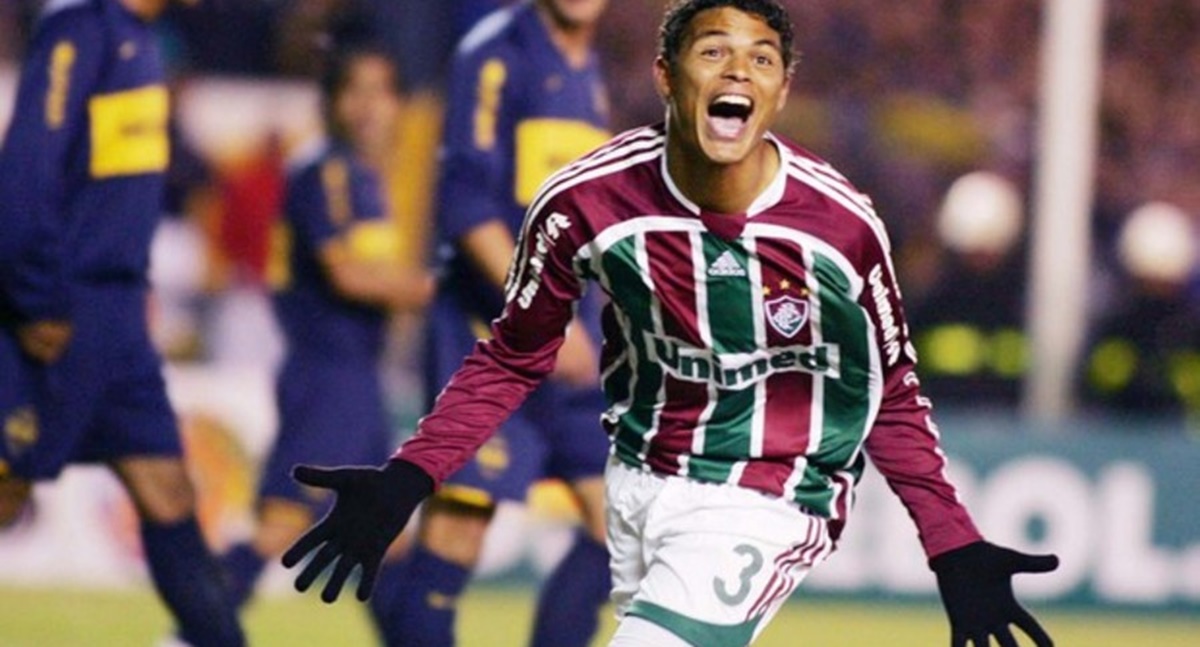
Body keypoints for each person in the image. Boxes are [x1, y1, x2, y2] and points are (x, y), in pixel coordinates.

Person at [282, 2, 1060, 646]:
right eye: (713, 51)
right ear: (665, 75)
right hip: (643, 478)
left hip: (770, 490)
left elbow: (889, 389)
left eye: (760, 59)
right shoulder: (586, 201)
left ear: (782, 91)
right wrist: (411, 474)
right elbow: (514, 356)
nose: (736, 72)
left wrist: (949, 540)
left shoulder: (840, 229)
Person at [368, 1, 615, 645]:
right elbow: (467, 205)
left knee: (619, 525)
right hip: (492, 335)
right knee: (457, 531)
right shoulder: (495, 52)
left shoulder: (590, 70)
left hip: (571, 342)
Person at [0, 1, 244, 645]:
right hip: (59, 310)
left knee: (168, 492)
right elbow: (24, 175)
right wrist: (37, 297)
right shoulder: (75, 34)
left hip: (119, 321)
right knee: (6, 492)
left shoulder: (145, 43)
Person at [217, 44, 434, 618]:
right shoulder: (327, 170)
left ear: (398, 105)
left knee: (385, 537)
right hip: (327, 372)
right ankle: (194, 630)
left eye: (381, 92)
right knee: (279, 523)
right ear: (332, 101)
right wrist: (442, 290)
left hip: (356, 376)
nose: (367, 106)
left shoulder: (363, 177)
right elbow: (348, 274)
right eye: (353, 91)